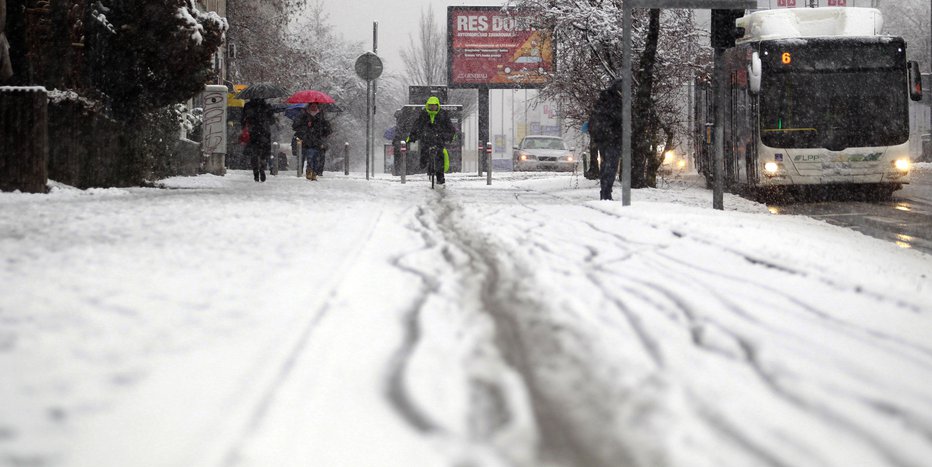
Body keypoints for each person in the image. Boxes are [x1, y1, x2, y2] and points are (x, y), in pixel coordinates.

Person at [406, 96, 456, 186]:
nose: (432, 107)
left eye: (434, 106)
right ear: (427, 106)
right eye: (430, 106)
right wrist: (412, 136)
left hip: (439, 139)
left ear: (437, 106)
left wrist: (450, 135)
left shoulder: (443, 114)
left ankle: (440, 177)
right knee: (424, 151)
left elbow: (449, 127)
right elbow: (417, 126)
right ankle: (424, 163)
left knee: (440, 156)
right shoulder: (424, 114)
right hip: (427, 138)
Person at [588, 78, 625, 200]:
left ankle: (605, 192)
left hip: (603, 139)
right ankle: (606, 193)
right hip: (612, 139)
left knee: (606, 165)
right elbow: (619, 119)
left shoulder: (603, 100)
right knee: (611, 165)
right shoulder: (615, 102)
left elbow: (594, 119)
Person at [292, 103, 332, 181]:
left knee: (317, 158)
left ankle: (314, 172)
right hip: (307, 141)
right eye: (312, 106)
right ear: (309, 107)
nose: (314, 107)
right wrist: (306, 125)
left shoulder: (320, 116)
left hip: (318, 140)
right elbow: (296, 127)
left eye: (315, 106)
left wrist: (323, 128)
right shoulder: (304, 116)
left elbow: (325, 130)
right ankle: (310, 170)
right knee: (310, 156)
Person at [241, 98, 276, 182]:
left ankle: (255, 170)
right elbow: (272, 121)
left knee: (254, 153)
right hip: (265, 132)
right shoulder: (266, 106)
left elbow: (242, 120)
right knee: (264, 152)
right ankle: (262, 166)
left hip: (253, 132)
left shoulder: (248, 106)